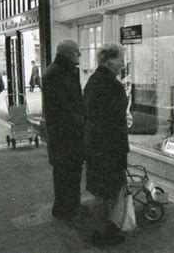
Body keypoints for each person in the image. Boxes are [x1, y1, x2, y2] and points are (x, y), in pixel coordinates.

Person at [83, 43, 129, 246]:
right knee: (109, 191)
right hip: (109, 148)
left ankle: (100, 230)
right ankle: (105, 233)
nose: (122, 63)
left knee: (100, 191)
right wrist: (121, 151)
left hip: (95, 145)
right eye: (120, 59)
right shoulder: (112, 85)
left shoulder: (93, 81)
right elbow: (116, 122)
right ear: (110, 61)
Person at [42, 40, 85, 224]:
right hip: (63, 134)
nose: (80, 54)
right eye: (77, 51)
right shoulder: (55, 73)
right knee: (64, 172)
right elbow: (62, 108)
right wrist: (79, 120)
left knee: (72, 170)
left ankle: (72, 204)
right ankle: (63, 208)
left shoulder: (67, 70)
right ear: (68, 53)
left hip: (69, 132)